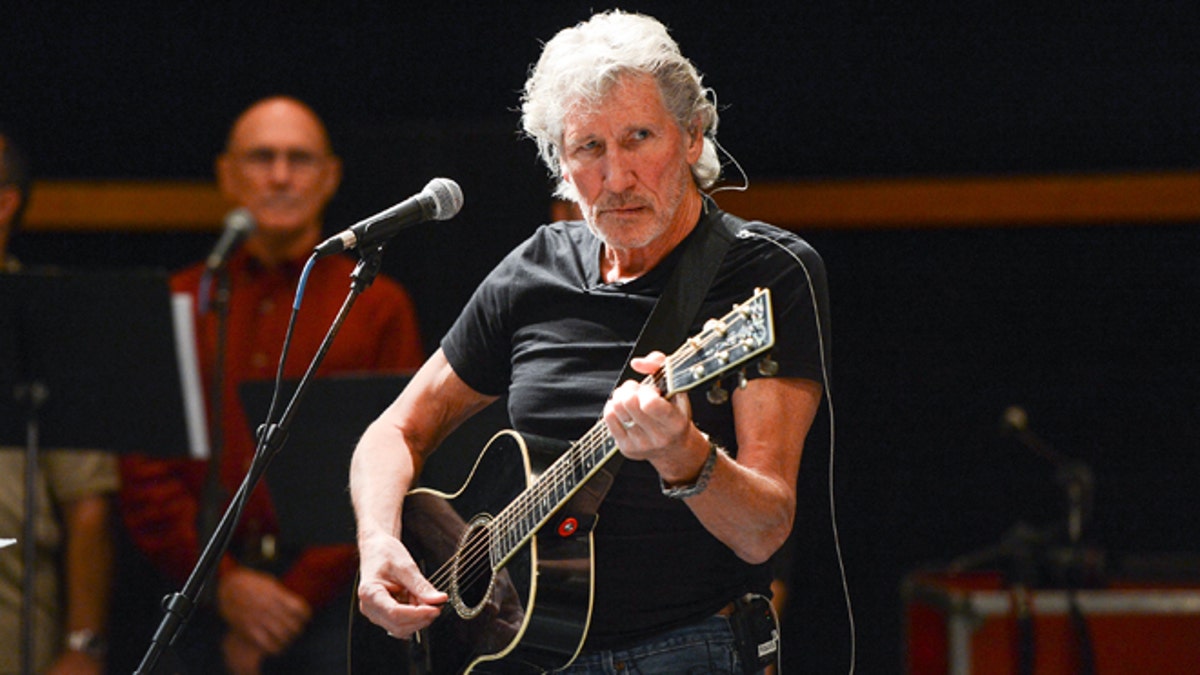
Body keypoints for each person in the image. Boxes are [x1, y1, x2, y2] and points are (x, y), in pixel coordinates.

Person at [350, 10, 830, 675]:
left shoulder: (761, 275)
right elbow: (393, 431)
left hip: (688, 650)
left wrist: (682, 453)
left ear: (692, 137)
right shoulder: (537, 266)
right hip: (524, 657)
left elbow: (764, 531)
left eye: (640, 137)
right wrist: (378, 541)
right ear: (559, 163)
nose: (618, 176)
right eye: (589, 148)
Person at [117, 97, 425, 675]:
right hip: (195, 597)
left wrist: (296, 600)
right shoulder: (183, 300)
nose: (280, 175)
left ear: (330, 176)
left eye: (298, 159)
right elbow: (144, 472)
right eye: (262, 157)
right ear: (227, 175)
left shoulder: (378, 305)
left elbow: (403, 455)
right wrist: (226, 589)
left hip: (337, 604)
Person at [1, 129, 118, 674]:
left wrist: (83, 644)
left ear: (6, 203)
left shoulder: (46, 319)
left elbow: (88, 505)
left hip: (12, 605)